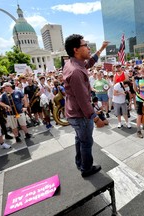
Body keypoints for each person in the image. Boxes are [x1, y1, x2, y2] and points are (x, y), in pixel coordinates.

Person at [63, 34, 109, 177]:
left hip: (74, 113)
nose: (89, 48)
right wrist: (96, 119)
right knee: (86, 142)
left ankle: (80, 162)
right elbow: (83, 100)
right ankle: (86, 169)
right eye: (85, 45)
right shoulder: (76, 71)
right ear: (76, 49)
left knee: (80, 139)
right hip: (80, 115)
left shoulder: (72, 63)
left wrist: (101, 49)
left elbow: (88, 64)